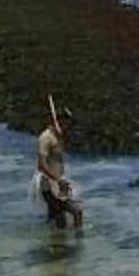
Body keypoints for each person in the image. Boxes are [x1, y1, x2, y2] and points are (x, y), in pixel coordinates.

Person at [34, 98, 85, 229]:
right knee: (77, 212)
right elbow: (41, 165)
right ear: (59, 120)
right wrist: (58, 180)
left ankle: (55, 245)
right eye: (67, 122)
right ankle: (78, 243)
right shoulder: (45, 138)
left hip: (57, 181)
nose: (68, 126)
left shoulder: (57, 136)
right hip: (49, 184)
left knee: (58, 220)